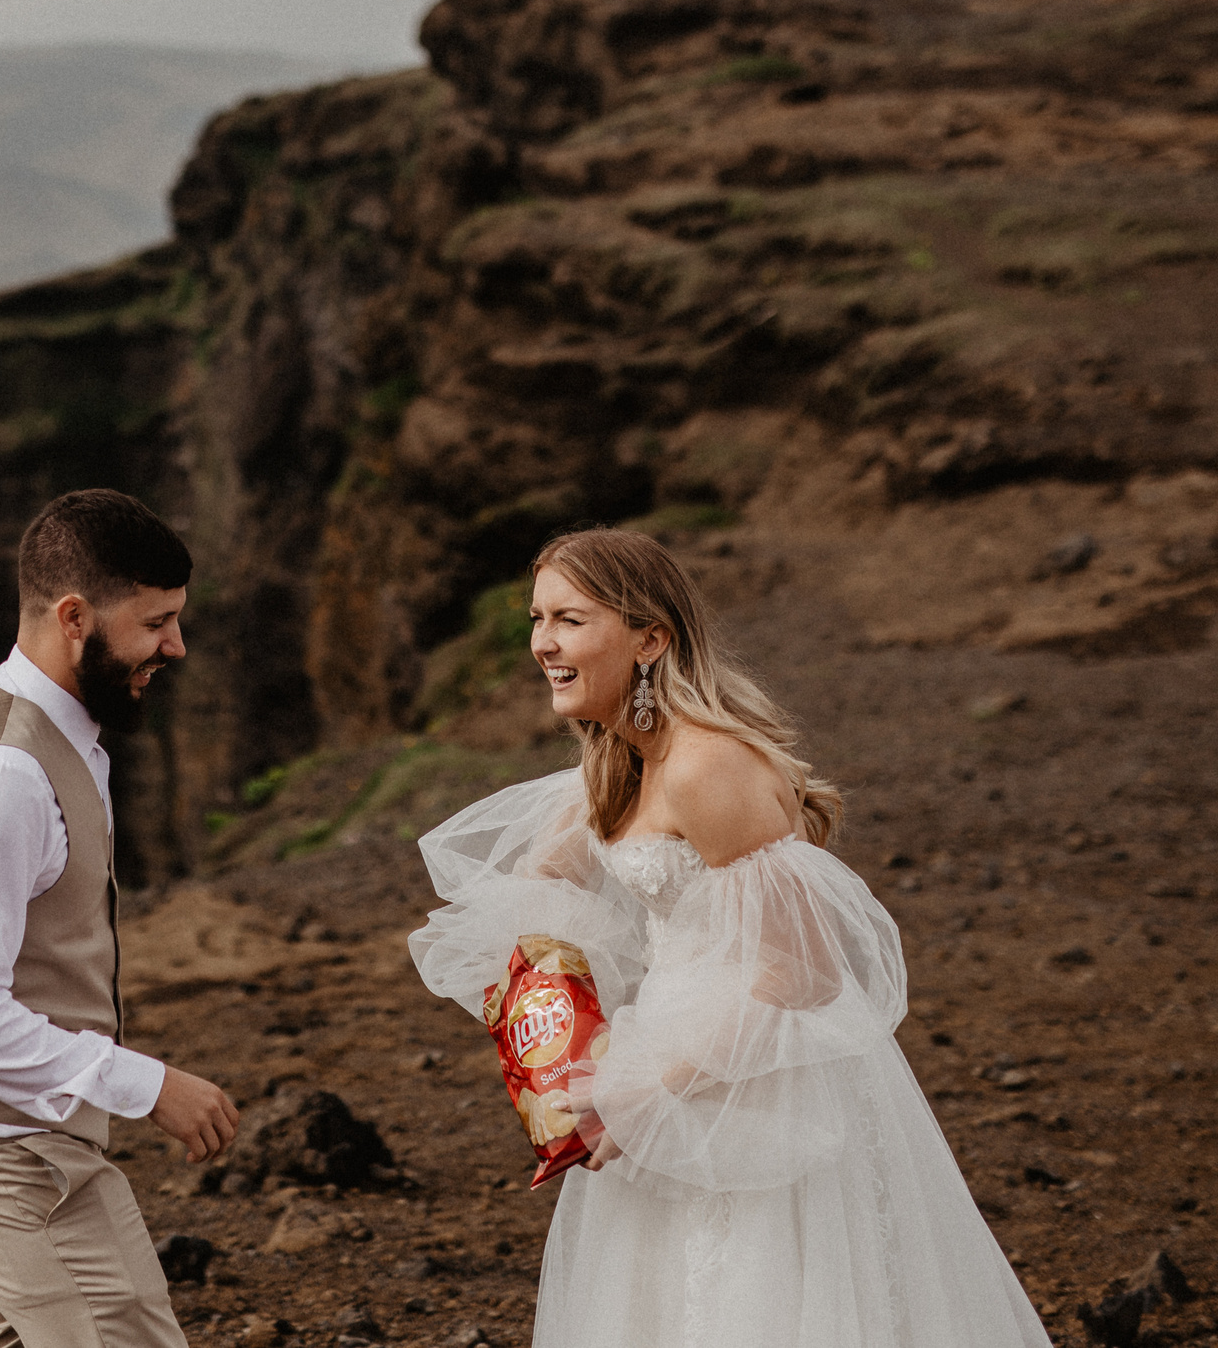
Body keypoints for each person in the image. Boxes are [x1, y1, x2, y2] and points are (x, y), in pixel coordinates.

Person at [410, 527, 1049, 1348]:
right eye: (537, 619)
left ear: (650, 638)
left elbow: (805, 970)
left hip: (756, 1070)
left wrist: (650, 1089)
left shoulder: (706, 765)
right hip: (661, 1046)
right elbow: (537, 890)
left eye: (569, 619)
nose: (543, 643)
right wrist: (558, 1032)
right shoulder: (620, 763)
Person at [0, 488, 240, 1348]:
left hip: (22, 1151)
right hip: (2, 1165)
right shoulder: (2, 779)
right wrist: (148, 1084)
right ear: (74, 617)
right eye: (155, 622)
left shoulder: (64, 734)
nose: (176, 645)